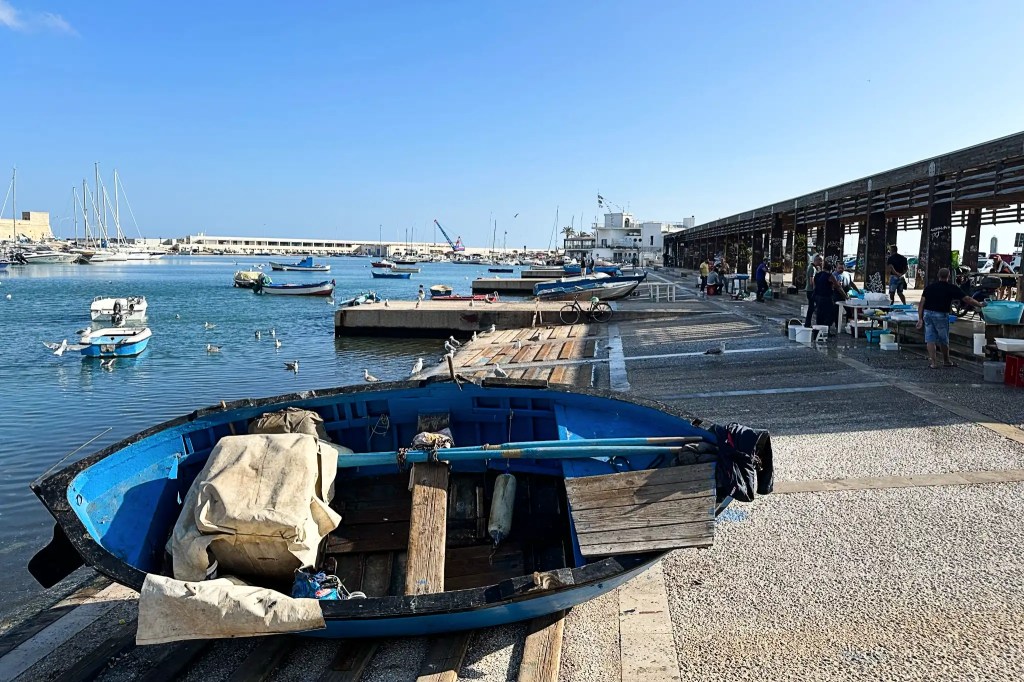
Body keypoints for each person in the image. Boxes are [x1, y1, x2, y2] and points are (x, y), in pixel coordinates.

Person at [917, 267, 986, 369]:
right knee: (943, 339)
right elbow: (967, 299)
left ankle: (933, 363)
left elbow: (921, 303)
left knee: (930, 339)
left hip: (927, 314)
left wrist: (920, 318)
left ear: (938, 276)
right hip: (941, 315)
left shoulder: (929, 287)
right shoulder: (951, 287)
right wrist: (979, 304)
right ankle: (946, 361)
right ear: (949, 276)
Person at [813, 262, 848, 329]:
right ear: (831, 269)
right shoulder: (830, 276)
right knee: (830, 314)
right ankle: (826, 329)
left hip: (817, 297)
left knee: (820, 314)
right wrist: (845, 296)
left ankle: (819, 330)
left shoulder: (817, 275)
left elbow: (814, 286)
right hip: (826, 298)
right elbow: (838, 287)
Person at [803, 255, 822, 326]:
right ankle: (808, 323)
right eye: (820, 261)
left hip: (809, 290)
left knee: (812, 307)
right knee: (812, 307)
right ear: (816, 261)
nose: (821, 263)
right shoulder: (812, 268)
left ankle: (808, 323)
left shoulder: (811, 267)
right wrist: (816, 289)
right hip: (811, 290)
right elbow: (812, 281)